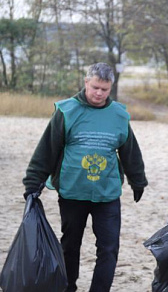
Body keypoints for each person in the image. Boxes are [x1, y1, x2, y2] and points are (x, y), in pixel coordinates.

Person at [22, 62, 148, 292]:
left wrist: (138, 180)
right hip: (72, 190)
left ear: (111, 88)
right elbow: (47, 149)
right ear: (86, 83)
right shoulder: (66, 111)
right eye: (95, 88)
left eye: (105, 89)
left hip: (107, 193)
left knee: (109, 249)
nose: (99, 93)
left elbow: (130, 150)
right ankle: (68, 287)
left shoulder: (119, 114)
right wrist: (33, 181)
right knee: (70, 245)